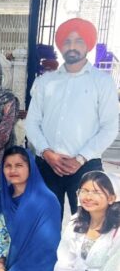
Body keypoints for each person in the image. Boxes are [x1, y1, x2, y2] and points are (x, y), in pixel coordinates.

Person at [25, 18, 118, 216]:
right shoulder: (45, 82)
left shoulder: (102, 82)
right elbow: (32, 123)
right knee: (46, 223)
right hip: (48, 165)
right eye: (67, 41)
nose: (72, 46)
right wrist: (47, 153)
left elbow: (109, 127)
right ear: (60, 46)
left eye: (78, 41)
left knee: (89, 224)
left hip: (86, 166)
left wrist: (80, 158)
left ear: (88, 45)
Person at [14, 171, 120, 271]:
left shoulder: (117, 232)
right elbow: (65, 263)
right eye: (84, 190)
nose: (88, 196)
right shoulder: (76, 222)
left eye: (96, 192)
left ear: (112, 198)